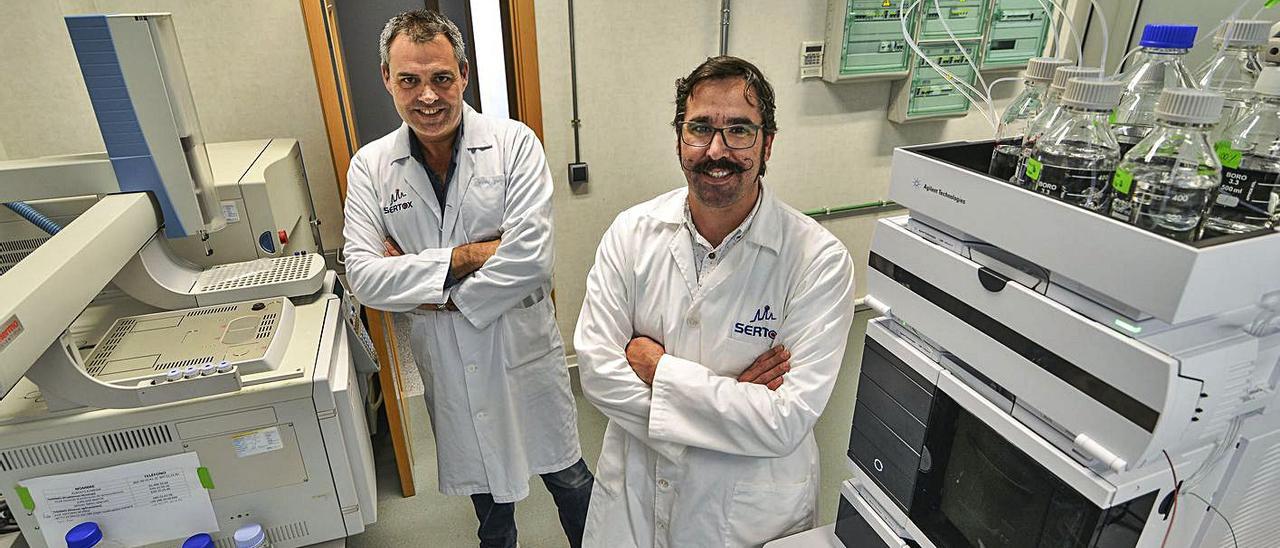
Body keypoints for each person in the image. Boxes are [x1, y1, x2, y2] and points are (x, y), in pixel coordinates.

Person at [573, 56, 857, 547]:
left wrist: (660, 370)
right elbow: (598, 374)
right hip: (635, 498)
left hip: (744, 515)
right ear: (680, 139)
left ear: (767, 144)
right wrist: (729, 407)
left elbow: (784, 421)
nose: (717, 149)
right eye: (700, 128)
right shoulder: (630, 233)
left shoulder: (819, 260)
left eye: (739, 130)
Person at [341, 10, 592, 548]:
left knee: (570, 480)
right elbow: (364, 278)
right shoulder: (370, 167)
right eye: (409, 79)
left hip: (521, 351)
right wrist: (470, 256)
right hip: (451, 360)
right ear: (387, 78)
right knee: (489, 504)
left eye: (441, 78)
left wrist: (426, 284)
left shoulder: (514, 144)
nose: (427, 96)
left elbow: (530, 259)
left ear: (464, 74)